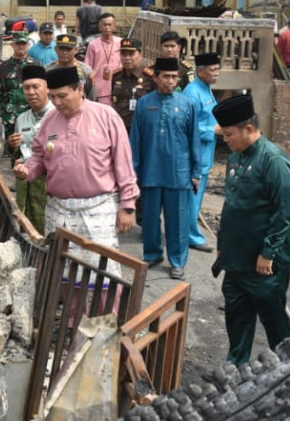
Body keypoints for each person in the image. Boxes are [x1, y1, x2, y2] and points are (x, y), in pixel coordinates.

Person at [14, 66, 139, 268]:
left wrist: (128, 207)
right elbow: (39, 156)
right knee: (62, 274)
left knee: (102, 276)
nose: (56, 102)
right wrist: (27, 170)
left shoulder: (106, 116)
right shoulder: (50, 120)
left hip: (98, 208)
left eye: (62, 96)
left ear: (80, 89)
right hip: (59, 210)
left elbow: (123, 164)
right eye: (52, 96)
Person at [212, 93, 290, 365]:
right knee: (236, 314)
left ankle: (288, 368)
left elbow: (282, 213)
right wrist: (223, 244)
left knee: (273, 318)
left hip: (263, 262)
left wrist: (268, 253)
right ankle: (235, 365)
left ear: (249, 129)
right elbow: (233, 206)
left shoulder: (274, 161)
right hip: (236, 259)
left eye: (229, 134)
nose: (225, 140)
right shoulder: (235, 159)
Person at [130, 57, 202, 280]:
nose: (170, 81)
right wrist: (133, 172)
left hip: (178, 173)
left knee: (177, 220)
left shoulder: (187, 104)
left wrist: (196, 172)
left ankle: (178, 261)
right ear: (156, 77)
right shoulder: (144, 103)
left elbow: (194, 140)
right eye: (166, 76)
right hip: (150, 172)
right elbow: (136, 141)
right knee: (150, 219)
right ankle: (152, 255)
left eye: (174, 77)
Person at [183, 52, 221, 252]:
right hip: (196, 155)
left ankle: (189, 232)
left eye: (218, 69)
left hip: (206, 153)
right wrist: (212, 130)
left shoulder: (206, 88)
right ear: (200, 71)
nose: (217, 73)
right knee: (192, 198)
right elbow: (186, 126)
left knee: (196, 198)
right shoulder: (192, 92)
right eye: (212, 69)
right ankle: (191, 236)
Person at [7, 65, 53, 233]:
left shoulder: (58, 115)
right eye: (27, 88)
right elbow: (17, 153)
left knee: (48, 232)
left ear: (47, 88)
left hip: (48, 187)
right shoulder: (21, 119)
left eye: (36, 86)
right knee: (25, 228)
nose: (31, 92)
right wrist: (11, 145)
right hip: (25, 186)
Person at [0, 32, 40, 136]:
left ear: (28, 45)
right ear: (12, 45)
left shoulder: (36, 65)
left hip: (30, 115)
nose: (21, 46)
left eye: (23, 44)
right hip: (9, 118)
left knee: (30, 147)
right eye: (18, 43)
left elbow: (42, 92)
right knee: (9, 148)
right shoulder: (4, 67)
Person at [109, 38, 155, 132]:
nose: (127, 58)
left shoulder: (149, 77)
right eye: (124, 54)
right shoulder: (117, 76)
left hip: (142, 128)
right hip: (120, 127)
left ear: (140, 55)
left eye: (131, 54)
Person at [86, 12, 123, 105]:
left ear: (115, 26)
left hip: (119, 87)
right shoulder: (93, 44)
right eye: (104, 25)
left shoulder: (121, 43)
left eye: (110, 25)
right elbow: (87, 67)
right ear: (100, 27)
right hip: (100, 89)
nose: (107, 27)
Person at [47, 34, 95, 99]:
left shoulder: (85, 70)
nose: (64, 53)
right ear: (56, 49)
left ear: (76, 50)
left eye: (68, 49)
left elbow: (91, 96)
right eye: (61, 49)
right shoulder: (48, 70)